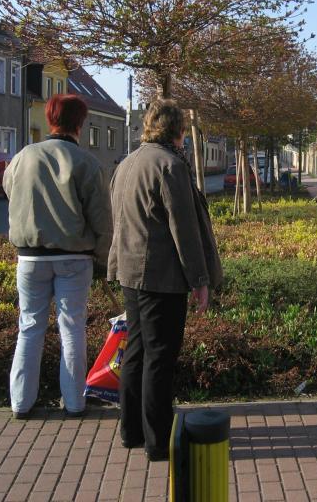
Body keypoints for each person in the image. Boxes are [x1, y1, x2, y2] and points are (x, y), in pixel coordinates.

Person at [107, 99, 223, 462]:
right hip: (161, 276)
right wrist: (200, 279)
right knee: (160, 356)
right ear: (178, 130)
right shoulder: (169, 166)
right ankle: (158, 440)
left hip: (129, 273)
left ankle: (131, 430)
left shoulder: (127, 163)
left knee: (137, 351)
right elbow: (183, 229)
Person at [4, 93, 112, 420]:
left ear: (50, 119)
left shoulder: (23, 157)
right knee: (72, 329)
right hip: (74, 259)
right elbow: (102, 220)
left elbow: (10, 189)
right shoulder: (86, 163)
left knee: (29, 327)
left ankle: (21, 403)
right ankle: (75, 403)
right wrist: (103, 260)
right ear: (80, 124)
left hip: (30, 258)